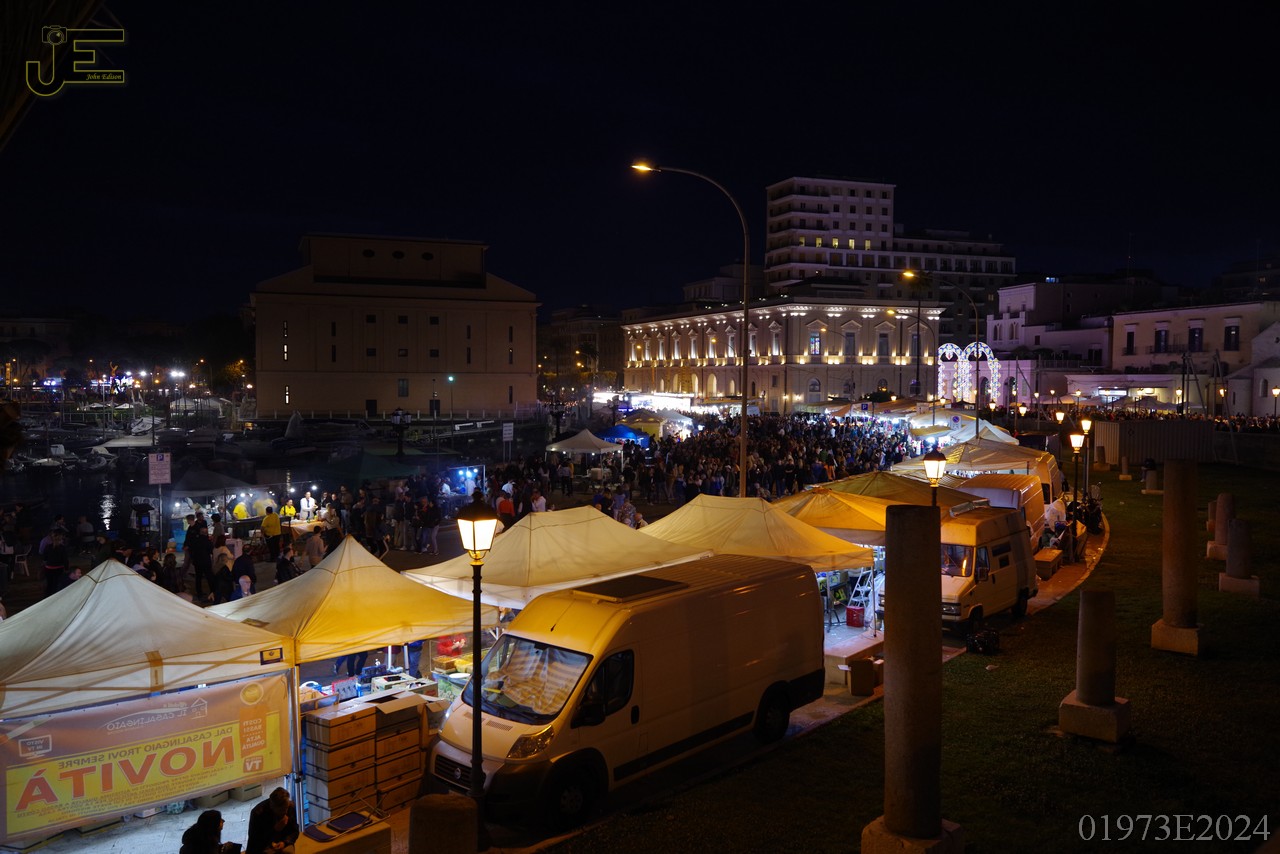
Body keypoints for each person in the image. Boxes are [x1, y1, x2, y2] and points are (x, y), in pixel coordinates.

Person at [246, 787, 299, 854]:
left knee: (289, 852)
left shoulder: (290, 807)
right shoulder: (258, 813)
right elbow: (254, 842)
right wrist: (274, 830)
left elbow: (294, 831)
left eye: (286, 808)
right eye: (281, 810)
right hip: (264, 845)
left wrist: (284, 842)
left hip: (283, 841)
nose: (285, 812)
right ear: (272, 807)